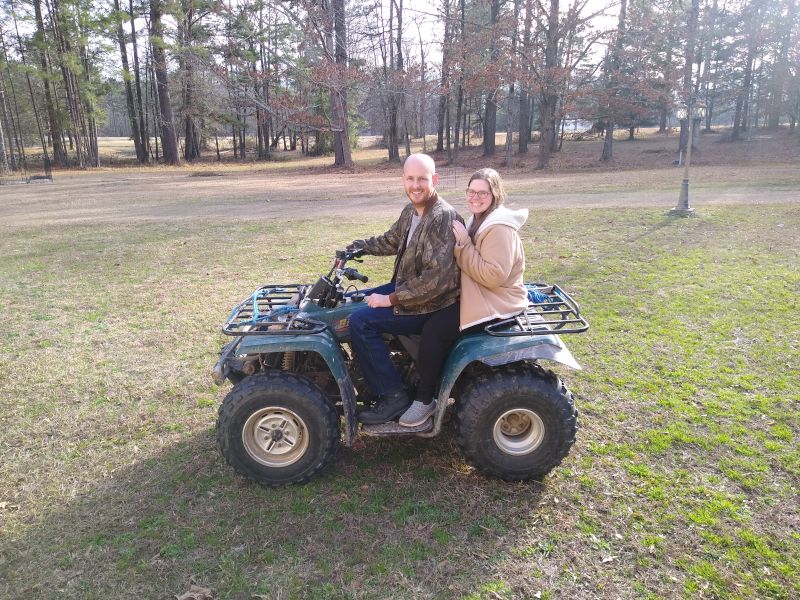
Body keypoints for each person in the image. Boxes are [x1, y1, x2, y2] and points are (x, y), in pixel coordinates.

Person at [348, 153, 463, 426]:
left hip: (432, 303)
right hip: (411, 290)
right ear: (403, 180)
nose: (415, 185)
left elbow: (437, 279)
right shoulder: (412, 211)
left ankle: (392, 395)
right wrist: (357, 247)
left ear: (434, 180)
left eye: (422, 179)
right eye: (410, 179)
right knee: (354, 300)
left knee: (361, 322)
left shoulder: (442, 217)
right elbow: (391, 240)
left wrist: (391, 299)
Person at [452, 168, 529, 334]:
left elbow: (492, 276)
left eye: (482, 193)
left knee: (434, 332)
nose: (475, 198)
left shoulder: (499, 229)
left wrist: (464, 244)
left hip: (498, 303)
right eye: (471, 191)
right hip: (483, 295)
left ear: (495, 195)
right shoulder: (477, 221)